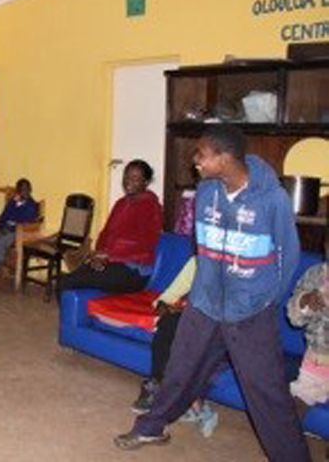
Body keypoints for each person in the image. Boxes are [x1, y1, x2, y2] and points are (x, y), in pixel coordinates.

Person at [114, 124, 308, 462]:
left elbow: (287, 257)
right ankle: (152, 426)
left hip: (249, 311)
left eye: (201, 154)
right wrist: (199, 291)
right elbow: (200, 248)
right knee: (180, 370)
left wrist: (261, 300)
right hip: (204, 305)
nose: (195, 161)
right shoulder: (206, 192)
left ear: (225, 157)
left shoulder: (272, 199)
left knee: (267, 392)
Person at [130, 257, 219, 438]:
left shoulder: (239, 266)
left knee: (199, 336)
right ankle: (157, 384)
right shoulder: (197, 260)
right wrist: (164, 306)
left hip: (224, 320)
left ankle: (196, 402)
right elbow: (169, 295)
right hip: (193, 313)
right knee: (168, 322)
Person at [59, 159, 163, 294]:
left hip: (135, 269)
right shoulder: (121, 203)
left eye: (135, 178)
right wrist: (98, 255)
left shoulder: (151, 207)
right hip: (111, 262)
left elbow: (145, 244)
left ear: (146, 182)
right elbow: (105, 233)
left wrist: (108, 256)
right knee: (64, 281)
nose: (128, 181)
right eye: (126, 176)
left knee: (68, 282)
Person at [287, 262, 329, 407]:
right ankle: (288, 429)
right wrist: (304, 301)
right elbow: (295, 320)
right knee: (300, 400)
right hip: (318, 358)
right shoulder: (316, 274)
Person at [0, 178, 38, 277]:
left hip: (19, 232)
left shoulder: (31, 205)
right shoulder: (13, 202)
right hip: (6, 228)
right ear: (18, 192)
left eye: (27, 190)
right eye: (22, 190)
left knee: (2, 241)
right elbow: (4, 215)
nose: (25, 192)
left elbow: (26, 220)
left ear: (30, 190)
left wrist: (12, 223)